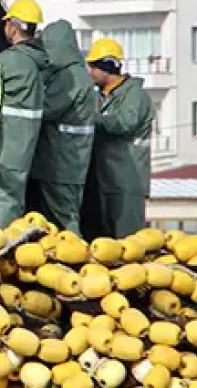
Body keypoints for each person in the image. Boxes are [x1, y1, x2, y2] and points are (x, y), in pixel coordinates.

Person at [81, 38, 155, 240]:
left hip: (126, 183)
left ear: (107, 66)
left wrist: (89, 118)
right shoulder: (100, 97)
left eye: (93, 67)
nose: (89, 72)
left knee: (127, 243)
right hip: (104, 181)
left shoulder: (135, 96)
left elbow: (124, 123)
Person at [27, 19, 96, 234]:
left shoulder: (70, 77)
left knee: (64, 219)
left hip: (62, 162)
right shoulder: (75, 73)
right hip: (67, 162)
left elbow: (47, 107)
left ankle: (74, 259)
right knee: (60, 217)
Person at [0, 0, 47, 227]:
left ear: (13, 27)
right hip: (25, 141)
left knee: (1, 198)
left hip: (7, 140)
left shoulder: (11, 60)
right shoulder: (38, 61)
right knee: (12, 196)